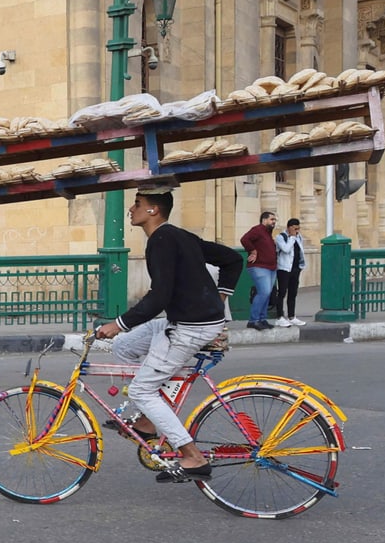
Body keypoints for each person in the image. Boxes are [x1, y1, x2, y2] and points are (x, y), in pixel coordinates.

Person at [95, 190, 243, 484]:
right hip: (185, 320)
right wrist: (221, 296)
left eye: (138, 204)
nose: (131, 209)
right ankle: (148, 421)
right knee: (124, 347)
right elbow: (231, 260)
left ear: (154, 211)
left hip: (191, 327)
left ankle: (192, 456)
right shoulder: (177, 236)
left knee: (141, 390)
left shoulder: (162, 240)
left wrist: (119, 323)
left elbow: (159, 296)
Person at [240, 211, 278, 330]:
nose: (274, 222)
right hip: (259, 267)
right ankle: (253, 320)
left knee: (267, 294)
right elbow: (245, 239)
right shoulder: (258, 230)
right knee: (264, 292)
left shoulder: (267, 233)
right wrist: (253, 251)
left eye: (274, 220)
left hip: (270, 268)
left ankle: (262, 319)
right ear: (264, 220)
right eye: (272, 219)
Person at [275, 218, 307, 327]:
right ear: (289, 227)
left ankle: (292, 316)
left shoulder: (299, 237)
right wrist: (292, 237)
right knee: (282, 292)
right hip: (284, 268)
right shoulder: (280, 237)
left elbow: (300, 250)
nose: (297, 231)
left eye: (298, 229)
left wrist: (301, 265)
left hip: (295, 268)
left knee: (293, 293)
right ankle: (279, 316)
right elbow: (286, 249)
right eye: (295, 228)